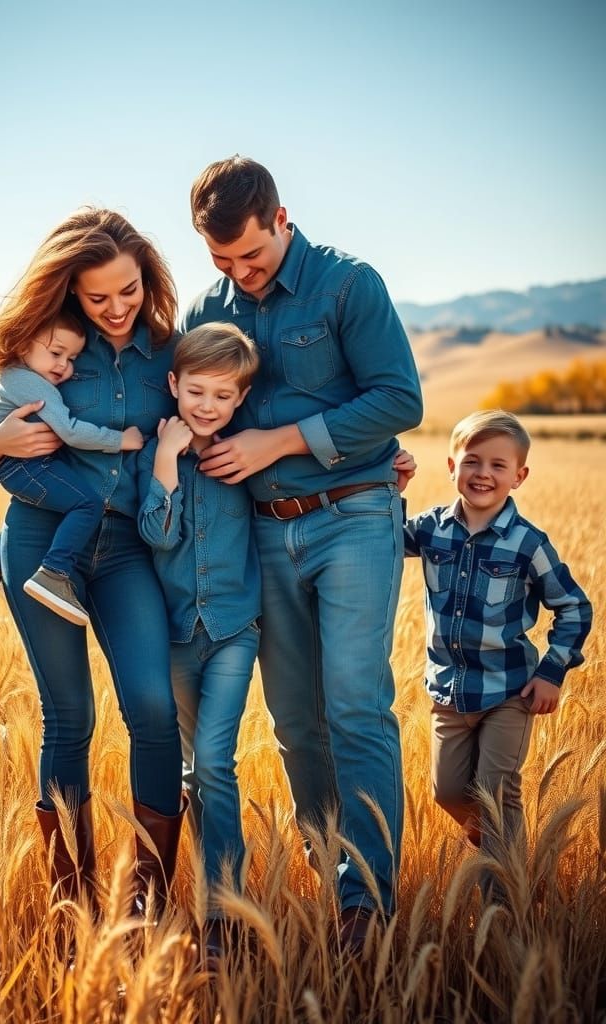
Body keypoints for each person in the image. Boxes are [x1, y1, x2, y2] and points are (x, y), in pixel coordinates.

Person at [182, 155, 424, 949]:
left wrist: (277, 442)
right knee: (293, 721)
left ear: (281, 220)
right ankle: (333, 868)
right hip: (259, 534)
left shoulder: (350, 286)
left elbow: (399, 398)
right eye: (221, 261)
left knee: (355, 702)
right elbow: (179, 412)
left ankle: (367, 904)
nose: (240, 275)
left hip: (352, 515)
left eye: (251, 255)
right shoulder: (207, 308)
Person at [0, 207, 185, 917]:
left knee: (152, 707)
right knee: (69, 715)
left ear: (146, 280)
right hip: (40, 538)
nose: (117, 308)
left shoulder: (169, 351)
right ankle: (72, 910)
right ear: (71, 291)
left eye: (129, 290)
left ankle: (143, 910)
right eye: (98, 297)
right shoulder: (50, 345)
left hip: (126, 550)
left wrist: (372, 462)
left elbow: (228, 410)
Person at [399, 410, 591, 879]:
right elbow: (380, 540)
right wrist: (394, 492)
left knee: (495, 792)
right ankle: (502, 852)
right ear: (452, 466)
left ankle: (504, 895)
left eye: (498, 465)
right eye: (472, 461)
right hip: (448, 692)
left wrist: (550, 673)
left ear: (519, 477)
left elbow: (574, 608)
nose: (483, 473)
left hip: (509, 692)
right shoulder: (431, 529)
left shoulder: (529, 544)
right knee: (446, 793)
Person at [136, 323, 260, 955]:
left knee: (214, 761)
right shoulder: (157, 458)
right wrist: (164, 461)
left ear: (239, 400)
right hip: (179, 636)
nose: (207, 406)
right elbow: (156, 536)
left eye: (222, 395)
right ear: (174, 386)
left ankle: (226, 915)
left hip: (236, 631)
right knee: (195, 770)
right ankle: (212, 898)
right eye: (196, 391)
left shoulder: (245, 455)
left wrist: (393, 469)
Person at [0, 310, 145, 628]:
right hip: (27, 465)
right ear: (22, 345)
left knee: (57, 501)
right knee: (87, 503)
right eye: (56, 353)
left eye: (71, 357)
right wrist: (121, 440)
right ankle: (55, 573)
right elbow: (70, 430)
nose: (64, 365)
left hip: (20, 467)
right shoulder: (32, 384)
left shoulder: (2, 374)